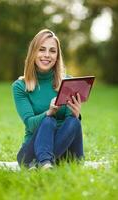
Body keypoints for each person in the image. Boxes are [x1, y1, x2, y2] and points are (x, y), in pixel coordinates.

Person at [12, 29, 84, 170]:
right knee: (48, 120)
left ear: (57, 56)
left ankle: (42, 163)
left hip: (65, 153)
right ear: (33, 53)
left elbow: (71, 127)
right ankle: (44, 163)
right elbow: (30, 124)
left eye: (52, 51)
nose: (46, 55)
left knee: (74, 121)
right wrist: (49, 112)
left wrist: (76, 113)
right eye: (42, 50)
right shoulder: (20, 86)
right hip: (32, 150)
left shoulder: (67, 82)